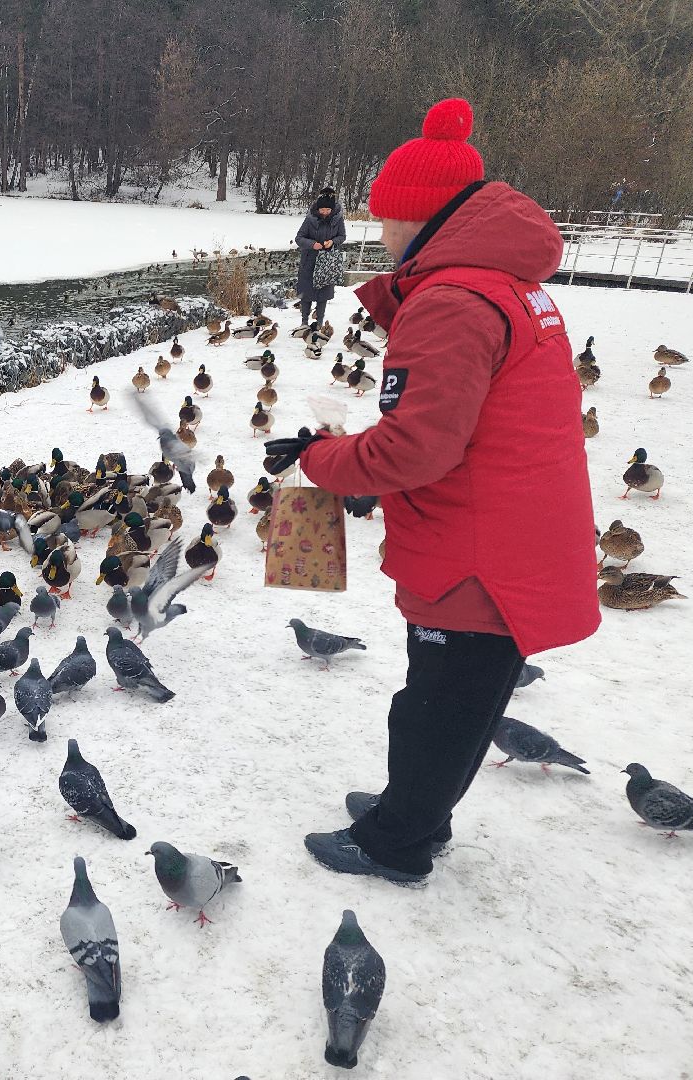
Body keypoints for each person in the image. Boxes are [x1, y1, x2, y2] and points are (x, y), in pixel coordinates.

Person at [263, 98, 599, 885]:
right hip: (513, 533)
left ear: (421, 216)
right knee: (458, 704)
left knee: (435, 709)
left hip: (478, 557)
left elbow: (415, 448)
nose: (379, 233)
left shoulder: (451, 302)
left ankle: (399, 841)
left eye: (386, 218)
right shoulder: (510, 287)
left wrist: (320, 460)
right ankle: (413, 809)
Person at [293, 188, 346, 329]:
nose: (324, 212)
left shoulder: (338, 219)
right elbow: (299, 238)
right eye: (322, 209)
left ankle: (320, 322)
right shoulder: (310, 219)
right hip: (309, 261)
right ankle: (304, 322)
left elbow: (342, 236)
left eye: (327, 210)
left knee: (323, 295)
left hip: (328, 262)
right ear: (318, 208)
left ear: (332, 209)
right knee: (306, 294)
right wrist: (312, 244)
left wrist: (333, 242)